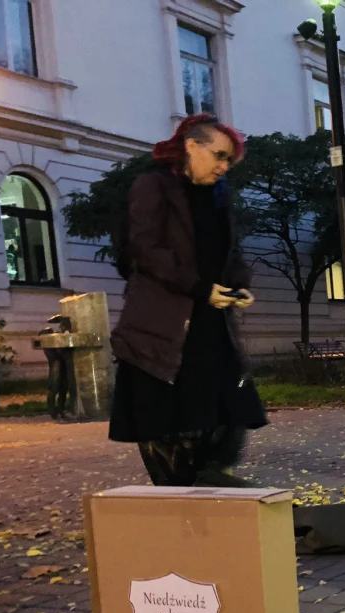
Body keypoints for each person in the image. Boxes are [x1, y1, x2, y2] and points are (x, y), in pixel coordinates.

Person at [108, 113, 266, 487]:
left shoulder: (218, 196)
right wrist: (199, 289)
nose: (224, 167)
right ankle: (181, 498)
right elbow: (146, 250)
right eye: (220, 156)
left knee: (229, 408)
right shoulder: (153, 186)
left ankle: (209, 485)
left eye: (229, 160)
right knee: (169, 418)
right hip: (162, 324)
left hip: (211, 319)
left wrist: (239, 284)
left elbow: (231, 252)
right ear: (191, 146)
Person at [39, 314, 74, 419]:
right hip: (55, 369)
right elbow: (59, 354)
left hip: (62, 369)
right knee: (54, 390)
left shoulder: (57, 342)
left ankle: (60, 410)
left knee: (63, 389)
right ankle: (53, 411)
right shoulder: (49, 348)